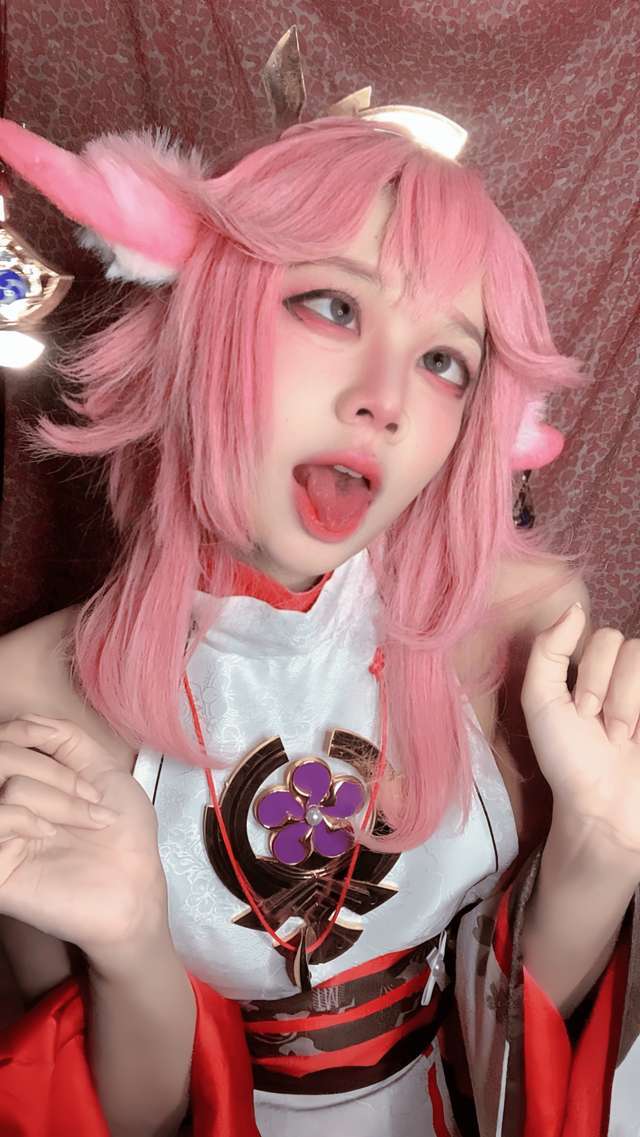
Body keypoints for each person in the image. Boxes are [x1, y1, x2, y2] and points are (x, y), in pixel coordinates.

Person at [0, 62, 638, 1137]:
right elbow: (111, 1116)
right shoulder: (30, 699)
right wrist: (132, 950)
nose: (385, 401)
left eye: (445, 360)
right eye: (332, 305)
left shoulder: (520, 628)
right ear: (207, 321)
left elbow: (517, 1042)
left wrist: (603, 848)